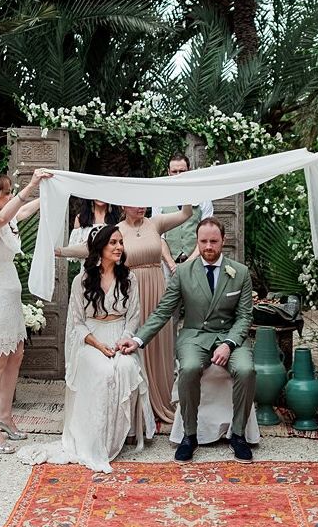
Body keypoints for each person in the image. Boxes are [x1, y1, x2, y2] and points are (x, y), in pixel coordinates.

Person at [118, 217, 256, 465]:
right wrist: (138, 339)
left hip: (230, 337)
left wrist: (229, 344)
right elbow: (163, 311)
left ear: (223, 241)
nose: (208, 247)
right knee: (189, 369)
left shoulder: (241, 272)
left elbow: (245, 316)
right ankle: (189, 436)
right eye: (203, 241)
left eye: (214, 241)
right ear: (197, 241)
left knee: (246, 370)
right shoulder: (183, 273)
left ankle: (238, 435)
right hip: (194, 336)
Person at [18, 225, 154, 473]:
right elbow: (77, 323)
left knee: (124, 367)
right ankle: (95, 442)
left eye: (121, 242)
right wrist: (98, 344)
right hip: (90, 339)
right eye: (113, 242)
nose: (119, 247)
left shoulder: (129, 278)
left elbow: (134, 317)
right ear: (100, 247)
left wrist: (124, 340)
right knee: (103, 372)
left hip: (120, 336)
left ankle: (118, 437)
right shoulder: (82, 280)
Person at [57, 203, 192, 422]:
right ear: (123, 205)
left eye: (143, 203)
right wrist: (61, 251)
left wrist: (183, 183)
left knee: (158, 344)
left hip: (155, 287)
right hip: (129, 289)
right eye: (135, 203)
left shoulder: (155, 223)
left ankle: (160, 402)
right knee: (133, 347)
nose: (141, 207)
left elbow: (187, 213)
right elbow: (90, 247)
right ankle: (134, 412)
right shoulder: (117, 229)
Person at [0, 168, 52, 454]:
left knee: (15, 356)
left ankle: (5, 416)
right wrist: (31, 185)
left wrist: (47, 194)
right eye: (7, 192)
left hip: (10, 297)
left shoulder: (3, 216)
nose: (11, 196)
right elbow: (5, 216)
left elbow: (21, 212)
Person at [151, 152, 214, 270]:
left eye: (182, 171)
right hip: (167, 265)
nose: (178, 175)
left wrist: (191, 261)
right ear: (168, 172)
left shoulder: (202, 197)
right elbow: (158, 235)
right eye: (174, 171)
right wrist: (170, 263)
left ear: (189, 171)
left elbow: (207, 233)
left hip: (197, 263)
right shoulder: (159, 198)